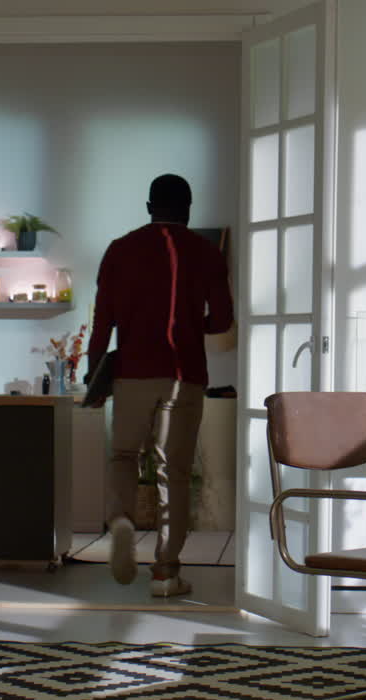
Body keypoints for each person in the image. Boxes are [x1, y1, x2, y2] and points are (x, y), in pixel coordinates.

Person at [84, 173, 234, 597]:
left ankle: (122, 522)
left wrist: (96, 378)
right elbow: (222, 321)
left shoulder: (119, 250)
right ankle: (166, 572)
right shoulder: (206, 252)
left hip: (130, 373)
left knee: (123, 457)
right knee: (175, 474)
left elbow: (102, 326)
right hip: (183, 376)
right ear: (189, 208)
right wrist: (192, 324)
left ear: (149, 208)